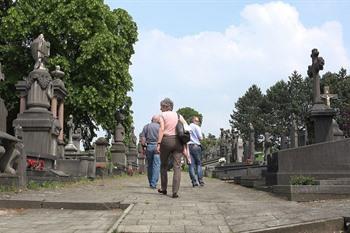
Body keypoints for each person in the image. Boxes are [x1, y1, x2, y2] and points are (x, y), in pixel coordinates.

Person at [156, 98, 187, 198]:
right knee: (177, 167)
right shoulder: (178, 115)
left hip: (166, 140)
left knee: (163, 165)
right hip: (178, 142)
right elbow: (186, 126)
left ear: (166, 106)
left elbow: (161, 129)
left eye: (161, 106)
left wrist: (159, 143)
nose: (160, 109)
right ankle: (175, 192)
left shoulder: (162, 115)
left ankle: (164, 189)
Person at [140, 115, 161, 189]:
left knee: (150, 165)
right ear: (157, 120)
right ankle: (153, 183)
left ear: (152, 119)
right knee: (156, 165)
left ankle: (150, 182)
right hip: (157, 147)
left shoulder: (146, 126)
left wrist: (143, 148)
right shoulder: (160, 127)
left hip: (149, 147)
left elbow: (142, 139)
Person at [188, 116, 204, 187]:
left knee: (191, 165)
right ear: (194, 121)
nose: (198, 122)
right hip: (196, 146)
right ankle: (200, 181)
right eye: (197, 121)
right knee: (199, 164)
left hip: (188, 146)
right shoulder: (196, 127)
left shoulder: (187, 127)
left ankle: (194, 182)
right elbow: (200, 137)